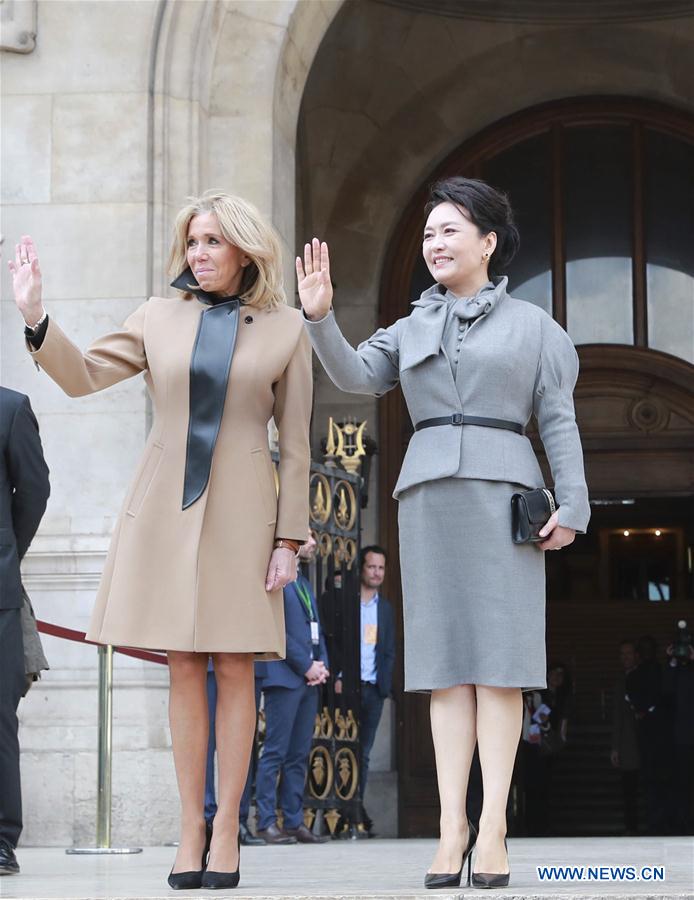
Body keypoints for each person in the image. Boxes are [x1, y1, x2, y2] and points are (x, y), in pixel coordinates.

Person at [9, 191, 312, 890]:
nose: (197, 254)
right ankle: (190, 829)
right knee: (182, 664)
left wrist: (288, 538)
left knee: (237, 667)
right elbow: (84, 377)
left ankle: (229, 826)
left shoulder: (287, 328)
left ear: (244, 249)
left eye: (210, 242)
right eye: (192, 242)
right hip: (164, 508)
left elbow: (294, 448)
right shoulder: (156, 316)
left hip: (244, 512)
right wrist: (34, 317)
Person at [297, 177, 590, 889]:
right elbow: (358, 377)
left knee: (501, 662)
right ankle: (450, 825)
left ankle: (492, 829)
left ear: (489, 241)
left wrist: (573, 505)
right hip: (428, 498)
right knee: (443, 667)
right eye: (429, 232)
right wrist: (320, 318)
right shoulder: (409, 328)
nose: (435, 243)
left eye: (450, 229)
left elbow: (557, 419)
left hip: (505, 500)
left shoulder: (536, 329)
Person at [0, 387, 50, 876]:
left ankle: (1, 837)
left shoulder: (10, 407)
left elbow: (33, 490)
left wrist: (6, 551)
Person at [254, 535, 330, 844]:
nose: (313, 542)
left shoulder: (303, 583)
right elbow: (280, 631)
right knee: (275, 751)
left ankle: (294, 820)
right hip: (284, 677)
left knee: (299, 754)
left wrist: (321, 663)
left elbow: (315, 628)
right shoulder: (278, 579)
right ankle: (266, 821)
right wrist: (306, 665)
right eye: (308, 536)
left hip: (308, 678)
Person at [334, 545, 396, 836]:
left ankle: (355, 806)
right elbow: (335, 641)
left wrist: (386, 684)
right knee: (341, 747)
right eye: (372, 567)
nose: (376, 573)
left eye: (381, 568)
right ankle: (338, 808)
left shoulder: (385, 609)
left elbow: (389, 650)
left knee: (365, 752)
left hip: (374, 688)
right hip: (347, 686)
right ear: (362, 569)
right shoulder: (347, 601)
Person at [204, 659, 265, 845]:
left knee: (242, 745)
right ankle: (206, 817)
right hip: (205, 658)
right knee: (205, 743)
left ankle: (238, 818)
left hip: (250, 654)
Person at [610, 640, 641, 835]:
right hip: (628, 743)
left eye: (628, 653)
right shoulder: (621, 681)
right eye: (622, 654)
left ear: (637, 655)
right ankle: (631, 828)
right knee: (629, 787)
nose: (625, 658)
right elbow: (617, 717)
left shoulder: (645, 675)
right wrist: (615, 747)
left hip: (647, 741)